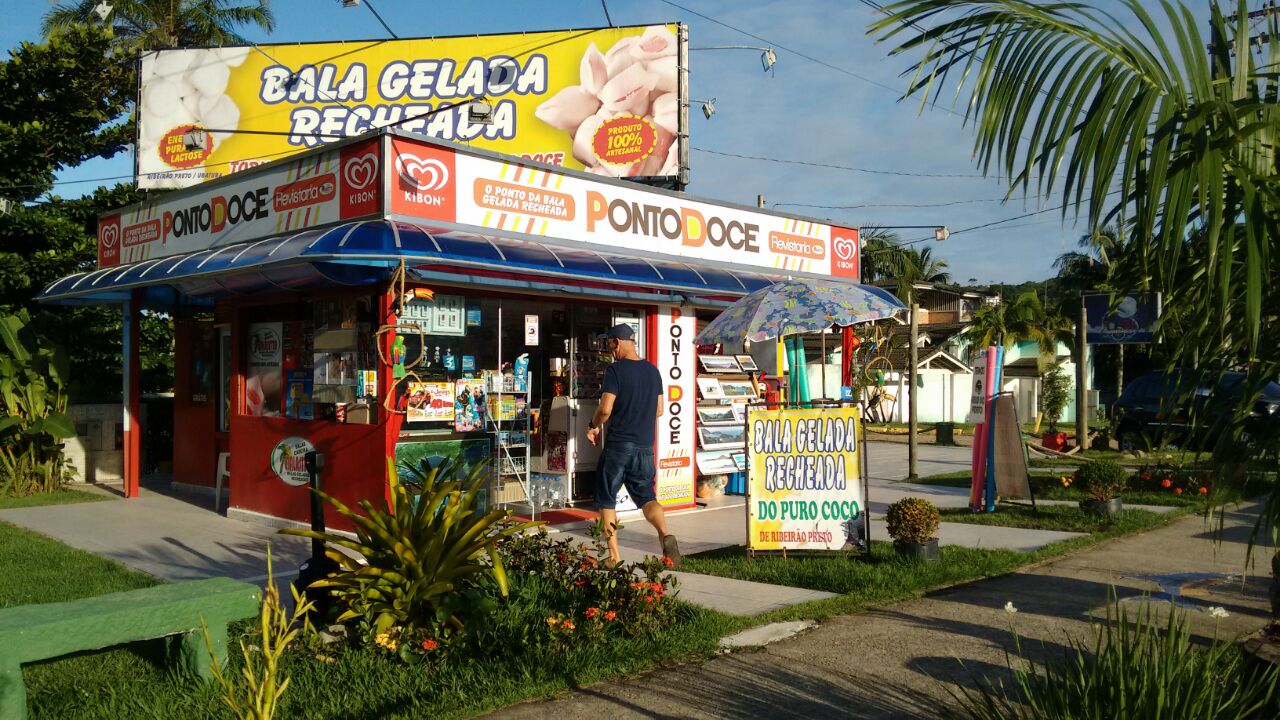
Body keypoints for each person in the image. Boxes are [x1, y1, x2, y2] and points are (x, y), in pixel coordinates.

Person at [586, 324, 680, 568]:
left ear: (617, 342)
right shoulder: (652, 371)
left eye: (609, 344)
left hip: (618, 446)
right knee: (647, 497)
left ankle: (614, 557)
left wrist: (593, 425)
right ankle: (665, 534)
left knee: (606, 500)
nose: (609, 350)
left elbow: (605, 409)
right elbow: (659, 409)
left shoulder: (615, 371)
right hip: (645, 447)